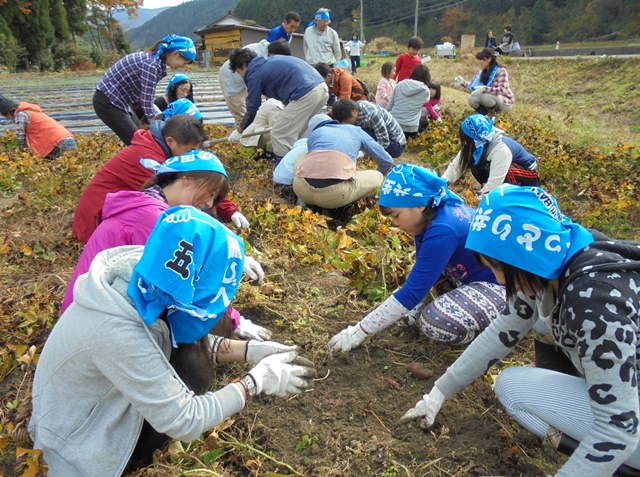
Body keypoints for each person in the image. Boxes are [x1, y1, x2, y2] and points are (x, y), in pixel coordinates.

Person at [30, 204, 316, 476]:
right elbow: (186, 420)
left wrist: (251, 351)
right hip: (78, 447)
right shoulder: (118, 331)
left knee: (191, 361)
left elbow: (172, 340)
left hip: (95, 408)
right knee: (192, 375)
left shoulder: (151, 279)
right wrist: (254, 383)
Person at [399, 184, 640, 477]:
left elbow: (618, 428)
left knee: (610, 436)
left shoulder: (594, 303)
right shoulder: (557, 255)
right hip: (629, 387)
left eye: (499, 269)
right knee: (511, 386)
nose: (500, 280)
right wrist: (439, 392)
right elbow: (504, 329)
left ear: (521, 258)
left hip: (628, 423)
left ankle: (615, 467)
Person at [62, 149, 267, 337]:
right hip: (92, 327)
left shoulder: (149, 207)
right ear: (187, 179)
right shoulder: (150, 218)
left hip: (95, 311)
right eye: (211, 193)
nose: (209, 204)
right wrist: (234, 321)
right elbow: (180, 286)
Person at [327, 163, 505, 352]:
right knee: (434, 285)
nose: (395, 223)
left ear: (419, 204)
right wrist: (410, 312)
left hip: (504, 289)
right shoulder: (433, 217)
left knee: (434, 322)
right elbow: (423, 275)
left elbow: (412, 292)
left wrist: (358, 332)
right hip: (472, 280)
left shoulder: (444, 229)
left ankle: (489, 333)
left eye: (397, 215)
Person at [72, 115, 250, 243]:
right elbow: (182, 205)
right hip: (95, 222)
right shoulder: (147, 161)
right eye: (189, 152)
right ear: (171, 141)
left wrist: (230, 210)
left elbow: (200, 183)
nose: (192, 157)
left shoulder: (158, 149)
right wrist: (224, 238)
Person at [93, 34, 196, 146]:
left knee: (141, 134)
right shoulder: (151, 65)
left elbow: (146, 98)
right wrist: (161, 128)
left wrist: (160, 118)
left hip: (121, 102)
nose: (183, 66)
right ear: (176, 54)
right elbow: (147, 101)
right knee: (138, 143)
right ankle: (129, 162)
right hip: (108, 101)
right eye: (184, 63)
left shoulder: (155, 61)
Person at [227, 47, 328, 161]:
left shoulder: (253, 73)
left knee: (279, 134)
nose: (241, 75)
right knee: (301, 133)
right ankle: (305, 164)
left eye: (239, 72)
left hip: (304, 93)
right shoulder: (268, 62)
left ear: (244, 65)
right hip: (321, 88)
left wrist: (239, 130)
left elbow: (252, 108)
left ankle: (284, 171)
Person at [292, 113, 393, 220]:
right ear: (334, 122)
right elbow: (387, 161)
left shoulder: (314, 134)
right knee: (378, 176)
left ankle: (303, 202)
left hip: (301, 190)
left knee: (303, 156)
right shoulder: (356, 131)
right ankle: (345, 208)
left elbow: (318, 165)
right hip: (335, 197)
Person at [442, 114, 540, 197]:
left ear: (473, 139)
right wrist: (442, 183)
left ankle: (512, 198)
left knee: (507, 173)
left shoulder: (501, 150)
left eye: (465, 140)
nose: (464, 143)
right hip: (505, 171)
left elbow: (495, 181)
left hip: (527, 176)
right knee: (475, 164)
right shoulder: (476, 144)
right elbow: (457, 166)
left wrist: (481, 199)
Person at [219, 40, 291, 130]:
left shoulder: (266, 56)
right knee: (241, 117)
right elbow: (254, 103)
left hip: (243, 74)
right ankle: (242, 139)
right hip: (231, 78)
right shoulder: (257, 61)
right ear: (273, 54)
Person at [0, 94, 76, 160]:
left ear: (10, 112)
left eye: (7, 117)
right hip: (68, 139)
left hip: (59, 144)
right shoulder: (32, 111)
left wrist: (23, 152)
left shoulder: (21, 114)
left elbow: (21, 135)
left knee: (50, 167)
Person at [332, 98, 406, 159]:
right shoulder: (354, 109)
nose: (347, 123)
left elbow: (384, 142)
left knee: (357, 132)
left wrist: (364, 154)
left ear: (354, 112)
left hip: (395, 146)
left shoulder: (372, 114)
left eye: (347, 121)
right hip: (381, 138)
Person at [454, 48, 514, 114]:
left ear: (489, 59)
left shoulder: (501, 71)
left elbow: (500, 90)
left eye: (482, 59)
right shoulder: (482, 72)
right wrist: (462, 82)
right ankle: (484, 114)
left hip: (504, 102)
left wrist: (483, 89)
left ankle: (494, 114)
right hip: (490, 98)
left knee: (486, 96)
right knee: (471, 98)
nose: (480, 62)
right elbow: (473, 85)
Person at [388, 64, 431, 139]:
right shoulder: (425, 91)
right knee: (424, 122)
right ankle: (415, 136)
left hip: (393, 125)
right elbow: (425, 103)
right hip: (410, 129)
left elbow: (390, 106)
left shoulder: (400, 84)